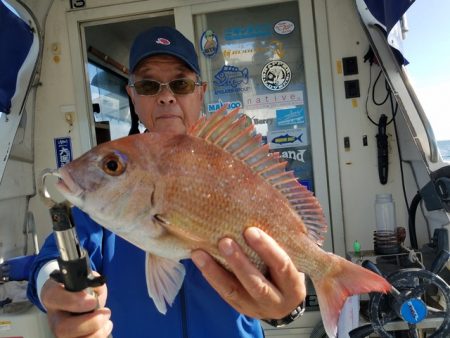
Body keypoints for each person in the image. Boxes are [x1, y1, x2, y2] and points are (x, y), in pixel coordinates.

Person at [27, 26, 306, 338]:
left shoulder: (236, 166)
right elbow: (51, 261)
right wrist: (56, 291)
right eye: (148, 85)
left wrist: (287, 308)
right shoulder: (114, 183)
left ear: (200, 92)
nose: (166, 97)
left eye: (181, 83)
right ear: (132, 95)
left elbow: (285, 268)